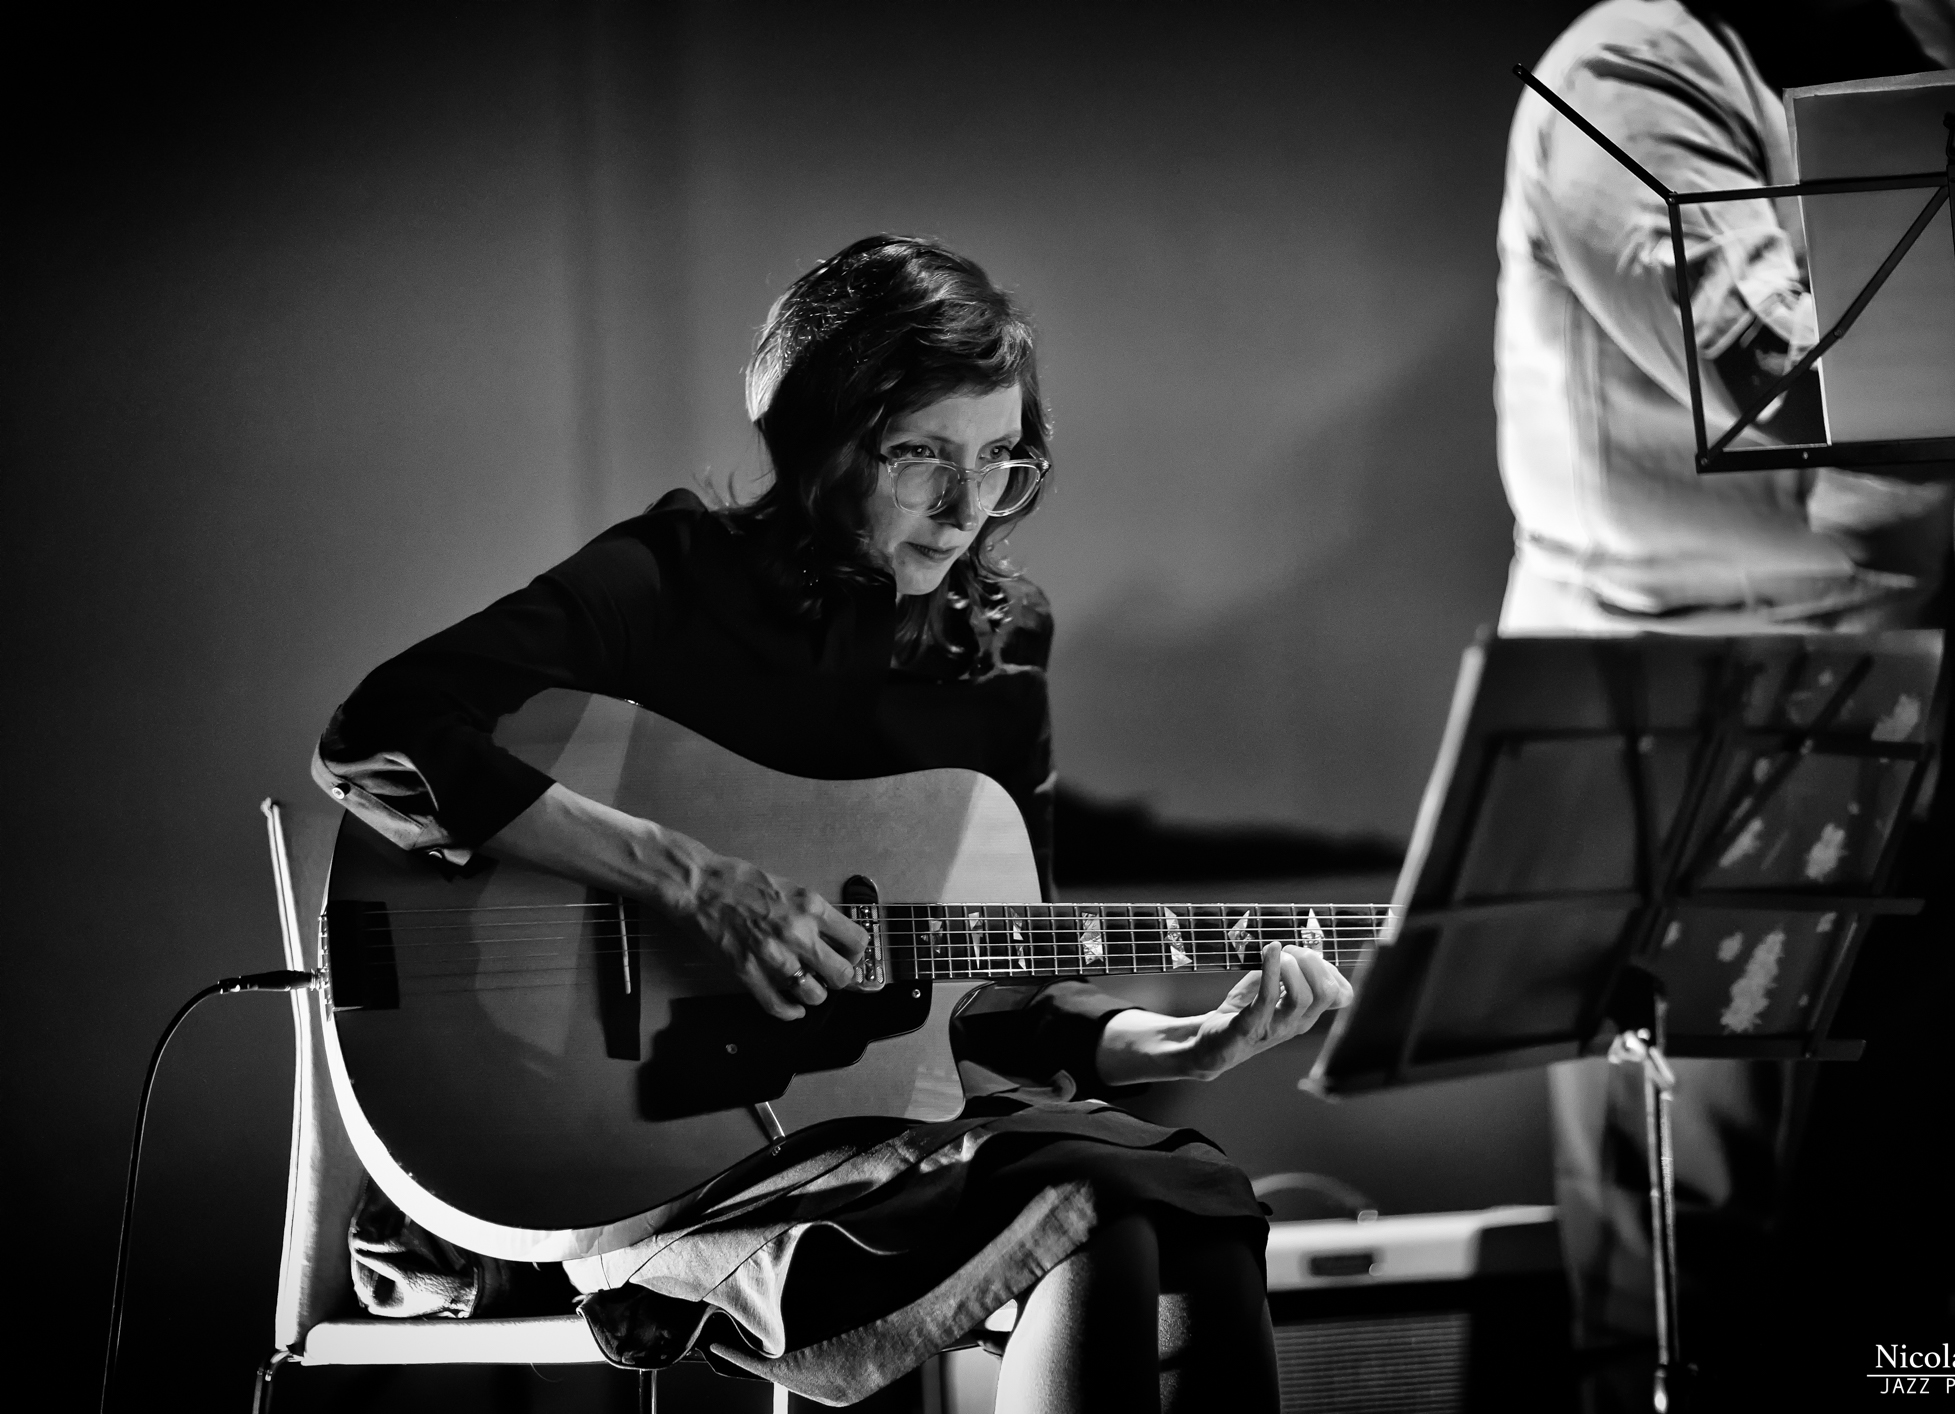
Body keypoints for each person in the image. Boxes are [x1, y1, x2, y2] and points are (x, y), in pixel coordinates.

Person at [312, 234, 1352, 1412]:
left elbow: (995, 998)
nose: (967, 507)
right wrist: (688, 879)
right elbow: (379, 734)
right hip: (668, 1164)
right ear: (821, 442)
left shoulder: (1002, 649)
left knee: (1200, 1203)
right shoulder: (674, 580)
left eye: (1003, 458)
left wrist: (1167, 1048)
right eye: (921, 457)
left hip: (892, 1138)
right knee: (1102, 1201)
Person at [1495, 1, 1955, 1406]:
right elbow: (1775, 378)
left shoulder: (1922, 68)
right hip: (1679, 741)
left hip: (1905, 715)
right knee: (1698, 1286)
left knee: (1896, 1262)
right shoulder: (1626, 68)